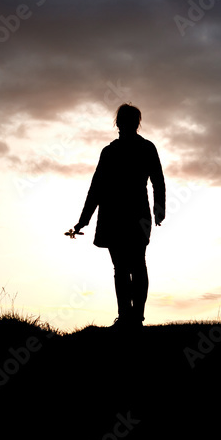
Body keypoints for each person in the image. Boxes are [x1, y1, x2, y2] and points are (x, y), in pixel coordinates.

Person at [70, 103, 165, 329]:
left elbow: (157, 181)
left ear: (119, 122)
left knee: (126, 266)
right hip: (124, 214)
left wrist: (159, 209)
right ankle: (130, 318)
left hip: (122, 214)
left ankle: (131, 318)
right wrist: (84, 219)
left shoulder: (116, 151)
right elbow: (97, 188)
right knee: (129, 266)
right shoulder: (121, 150)